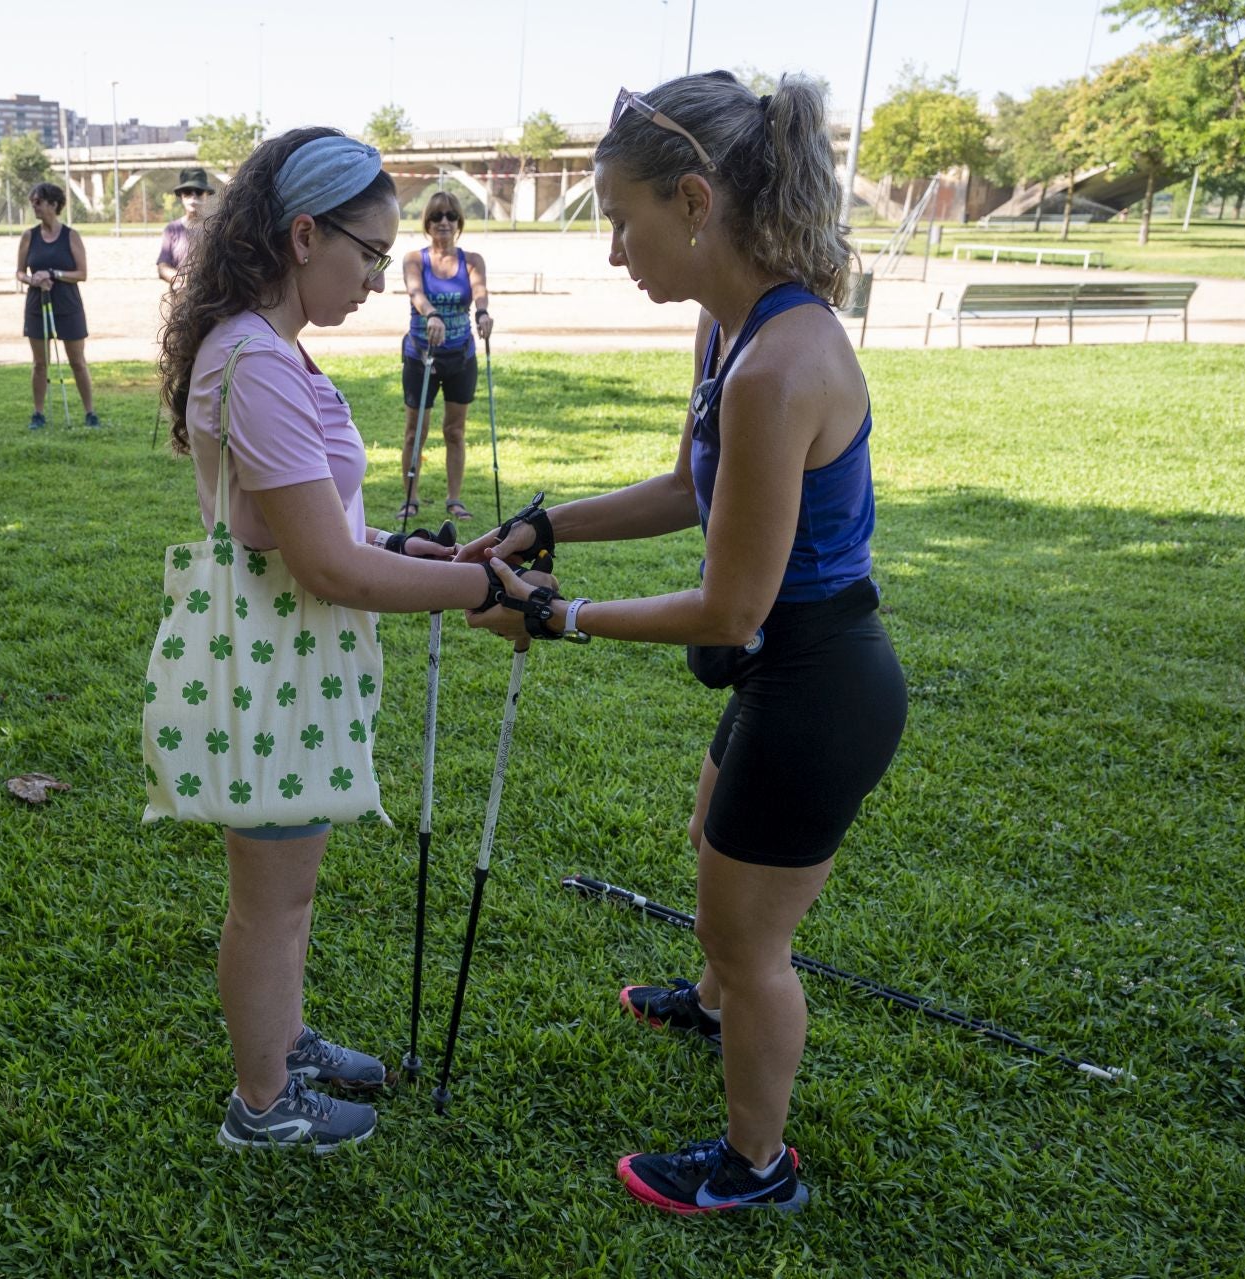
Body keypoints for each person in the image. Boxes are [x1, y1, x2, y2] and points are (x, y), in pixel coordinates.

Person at [460, 72, 907, 1213]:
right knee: (710, 833)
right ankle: (710, 1004)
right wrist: (548, 524)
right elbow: (682, 485)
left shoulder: (778, 364)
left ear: (696, 200)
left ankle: (758, 1166)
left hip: (817, 683)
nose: (615, 250)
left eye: (622, 219)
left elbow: (729, 610)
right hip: (780, 670)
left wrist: (556, 614)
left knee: (749, 938)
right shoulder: (728, 329)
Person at [159, 127, 548, 1153]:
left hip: (292, 652)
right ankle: (262, 1103)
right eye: (368, 253)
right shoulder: (253, 360)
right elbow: (326, 566)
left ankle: (282, 1043)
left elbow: (313, 527)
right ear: (300, 236)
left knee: (290, 883)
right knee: (271, 899)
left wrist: (407, 544)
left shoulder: (269, 348)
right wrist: (476, 589)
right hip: (274, 654)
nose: (381, 276)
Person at [397, 190, 492, 523]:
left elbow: (479, 292)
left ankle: (455, 500)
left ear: (459, 222)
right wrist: (431, 314)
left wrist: (482, 315)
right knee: (415, 432)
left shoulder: (472, 260)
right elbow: (415, 293)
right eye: (437, 216)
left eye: (451, 216)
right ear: (427, 222)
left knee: (455, 431)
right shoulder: (415, 259)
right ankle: (410, 500)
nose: (444, 222)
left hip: (460, 355)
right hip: (421, 354)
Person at [18, 182, 99, 429]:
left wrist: (53, 273)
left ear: (54, 204)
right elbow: (20, 273)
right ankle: (38, 414)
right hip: (37, 301)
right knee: (39, 363)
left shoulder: (70, 236)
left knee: (77, 361)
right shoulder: (29, 236)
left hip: (67, 304)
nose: (35, 207)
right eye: (33, 203)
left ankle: (90, 413)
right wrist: (33, 279)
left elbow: (81, 273)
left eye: (39, 202)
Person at [156, 167, 213, 287]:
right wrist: (183, 281)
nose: (193, 197)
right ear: (181, 196)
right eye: (187, 192)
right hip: (180, 296)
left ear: (206, 195)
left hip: (212, 298)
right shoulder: (172, 230)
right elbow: (162, 266)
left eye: (198, 192)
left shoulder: (217, 228)